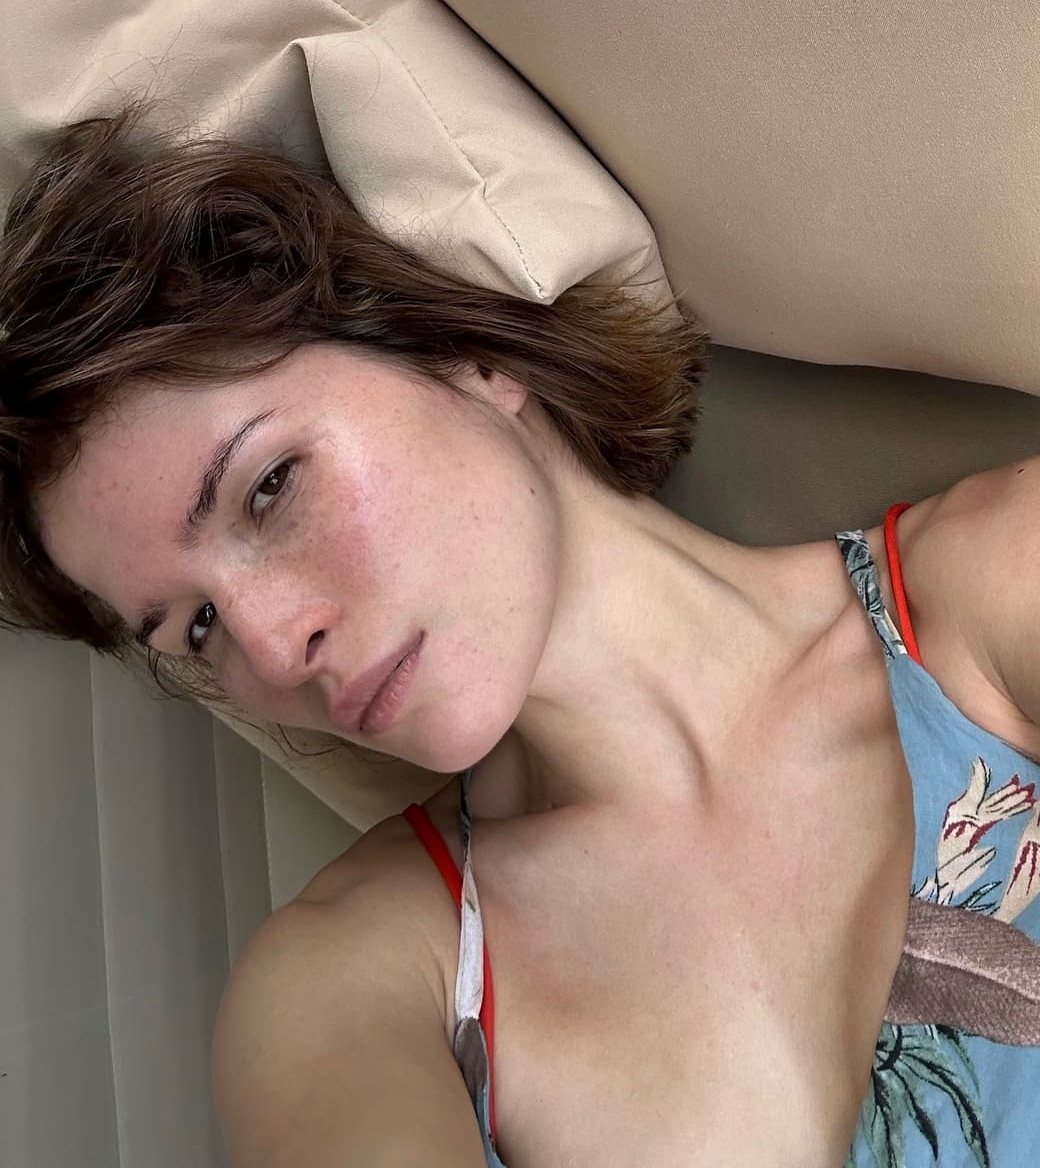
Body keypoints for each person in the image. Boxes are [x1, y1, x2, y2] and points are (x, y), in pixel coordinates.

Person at [2, 111, 1038, 1168]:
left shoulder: (999, 585)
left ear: (464, 352)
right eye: (198, 625)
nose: (270, 651)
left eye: (269, 487)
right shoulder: (352, 984)